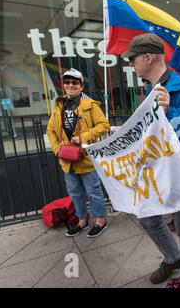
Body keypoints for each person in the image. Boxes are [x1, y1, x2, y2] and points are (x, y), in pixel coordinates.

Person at [123, 33, 180, 284]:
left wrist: (169, 113)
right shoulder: (152, 87)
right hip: (155, 168)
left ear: (148, 57)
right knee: (147, 216)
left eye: (132, 58)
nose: (130, 64)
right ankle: (173, 257)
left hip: (177, 171)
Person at [46, 68, 110, 238]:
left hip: (86, 159)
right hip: (67, 160)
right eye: (67, 82)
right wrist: (57, 150)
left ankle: (100, 221)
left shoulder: (90, 105)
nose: (70, 85)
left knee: (94, 191)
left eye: (75, 82)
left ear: (81, 86)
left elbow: (104, 126)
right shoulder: (59, 104)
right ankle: (82, 221)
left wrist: (84, 137)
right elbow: (51, 130)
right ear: (63, 86)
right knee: (75, 192)